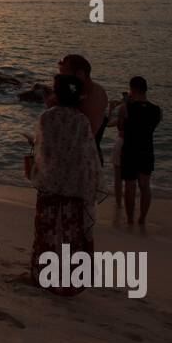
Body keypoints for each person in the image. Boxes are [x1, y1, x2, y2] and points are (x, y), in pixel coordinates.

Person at [28, 74, 100, 295]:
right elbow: (88, 156)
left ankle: (42, 274)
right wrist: (89, 185)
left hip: (50, 183)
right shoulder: (81, 121)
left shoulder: (46, 118)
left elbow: (42, 151)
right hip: (75, 186)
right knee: (71, 234)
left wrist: (39, 172)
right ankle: (71, 279)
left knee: (46, 230)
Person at [45, 54, 109, 159]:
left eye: (63, 75)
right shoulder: (84, 93)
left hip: (83, 160)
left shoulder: (93, 98)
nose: (61, 80)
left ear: (80, 74)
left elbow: (83, 138)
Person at [119, 76, 162, 225]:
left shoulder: (126, 108)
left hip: (130, 150)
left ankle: (130, 219)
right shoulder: (156, 110)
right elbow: (151, 128)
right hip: (146, 150)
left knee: (129, 186)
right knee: (145, 185)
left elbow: (120, 127)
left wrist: (124, 106)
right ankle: (142, 219)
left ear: (132, 89)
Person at [107, 91, 127, 206]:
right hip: (136, 145)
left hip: (121, 143)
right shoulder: (137, 112)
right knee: (132, 178)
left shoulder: (122, 113)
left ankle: (119, 204)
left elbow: (108, 123)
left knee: (118, 177)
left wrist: (111, 108)